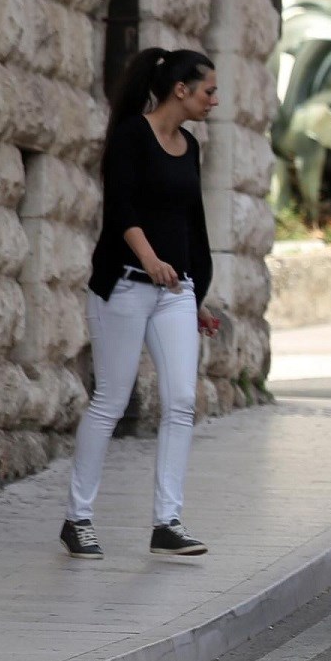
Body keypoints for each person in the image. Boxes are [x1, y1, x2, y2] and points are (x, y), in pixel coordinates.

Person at [60, 48, 220, 559]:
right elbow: (121, 209)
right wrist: (150, 259)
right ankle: (77, 518)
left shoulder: (190, 146)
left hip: (176, 293)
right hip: (126, 285)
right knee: (110, 400)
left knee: (180, 402)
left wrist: (197, 294)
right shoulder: (131, 136)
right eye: (208, 91)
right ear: (181, 90)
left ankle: (167, 523)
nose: (214, 100)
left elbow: (192, 224)